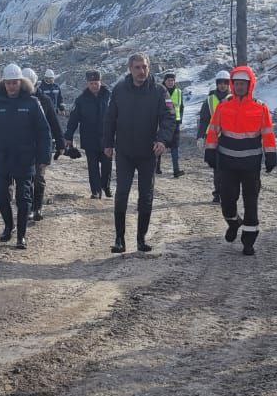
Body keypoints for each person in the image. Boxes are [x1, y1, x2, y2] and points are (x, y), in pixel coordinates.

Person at [104, 53, 175, 253]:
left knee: (146, 195)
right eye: (137, 67)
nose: (141, 71)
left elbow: (169, 117)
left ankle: (141, 239)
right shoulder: (119, 90)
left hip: (147, 153)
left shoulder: (159, 91)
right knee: (122, 194)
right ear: (130, 69)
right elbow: (110, 119)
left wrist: (162, 139)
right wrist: (108, 144)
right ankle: (119, 239)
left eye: (144, 67)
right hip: (125, 151)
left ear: (149, 68)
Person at [0, 63, 51, 250]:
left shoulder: (32, 103)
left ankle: (22, 235)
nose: (12, 86)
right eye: (8, 83)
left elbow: (44, 131)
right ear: (4, 83)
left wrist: (44, 157)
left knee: (24, 198)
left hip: (25, 158)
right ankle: (9, 225)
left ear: (21, 82)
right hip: (1, 157)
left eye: (15, 83)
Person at [204, 65, 277, 255]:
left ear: (250, 85)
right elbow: (213, 130)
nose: (239, 87)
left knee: (250, 202)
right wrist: (210, 151)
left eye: (243, 84)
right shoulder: (224, 106)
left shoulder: (261, 108)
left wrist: (271, 155)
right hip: (227, 164)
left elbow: (268, 134)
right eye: (236, 84)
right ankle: (234, 222)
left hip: (251, 165)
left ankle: (249, 241)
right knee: (227, 201)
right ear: (232, 85)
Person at [22, 67, 65, 222]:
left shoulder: (45, 101)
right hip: (23, 147)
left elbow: (55, 123)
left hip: (42, 145)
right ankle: (27, 208)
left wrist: (61, 144)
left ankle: (37, 208)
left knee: (39, 177)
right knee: (26, 179)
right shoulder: (16, 100)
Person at [65, 70, 112, 198]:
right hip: (89, 137)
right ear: (87, 84)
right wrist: (68, 136)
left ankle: (105, 186)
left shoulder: (109, 96)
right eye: (91, 83)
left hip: (107, 138)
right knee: (93, 166)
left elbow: (117, 116)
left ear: (100, 82)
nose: (94, 86)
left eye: (96, 83)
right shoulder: (81, 100)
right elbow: (73, 119)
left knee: (107, 165)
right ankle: (96, 191)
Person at [197, 70, 231, 203]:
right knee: (218, 168)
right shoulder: (210, 100)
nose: (222, 85)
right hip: (215, 139)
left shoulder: (235, 98)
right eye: (220, 83)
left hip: (232, 138)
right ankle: (218, 194)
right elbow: (204, 119)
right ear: (216, 84)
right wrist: (200, 136)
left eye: (225, 82)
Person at [156, 72, 186, 178]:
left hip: (175, 123)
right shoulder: (159, 91)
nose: (171, 82)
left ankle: (176, 170)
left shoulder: (178, 92)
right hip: (162, 123)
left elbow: (181, 107)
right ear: (165, 81)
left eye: (172, 80)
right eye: (169, 80)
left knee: (175, 147)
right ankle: (156, 168)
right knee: (159, 144)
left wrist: (180, 118)